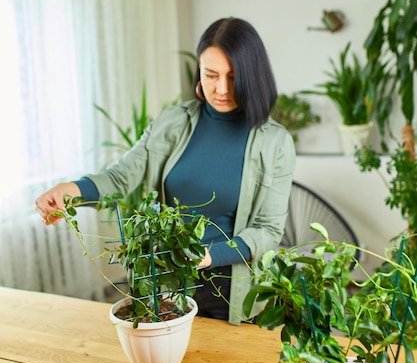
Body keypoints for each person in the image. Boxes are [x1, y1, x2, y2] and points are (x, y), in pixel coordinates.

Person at [35, 17, 296, 324]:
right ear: (199, 70)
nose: (221, 88)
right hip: (165, 289)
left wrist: (208, 256)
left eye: (234, 76)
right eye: (211, 75)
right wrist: (72, 190)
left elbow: (267, 230)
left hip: (232, 295)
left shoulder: (275, 142)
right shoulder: (174, 122)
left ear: (253, 76)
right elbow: (123, 176)